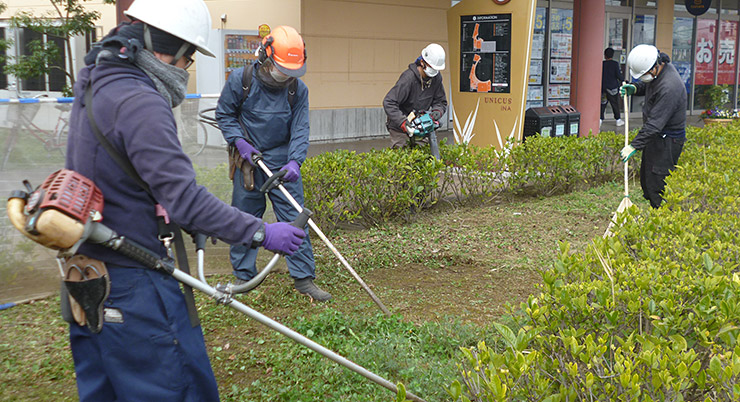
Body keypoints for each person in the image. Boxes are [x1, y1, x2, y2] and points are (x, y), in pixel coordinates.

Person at [65, 0, 306, 400]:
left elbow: (122, 173)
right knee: (178, 387)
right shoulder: (140, 100)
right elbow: (185, 199)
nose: (184, 71)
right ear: (168, 49)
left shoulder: (96, 80)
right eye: (188, 60)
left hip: (85, 280)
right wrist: (262, 232)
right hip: (133, 282)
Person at [215, 26, 331, 302]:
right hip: (248, 162)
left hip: (283, 163)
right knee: (246, 217)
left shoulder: (297, 89)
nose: (286, 76)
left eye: (292, 71)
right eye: (282, 69)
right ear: (265, 57)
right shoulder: (241, 80)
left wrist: (295, 161)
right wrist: (239, 142)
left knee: (295, 219)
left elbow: (301, 128)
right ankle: (244, 275)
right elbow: (225, 114)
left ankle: (303, 278)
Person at [619, 44, 687, 209]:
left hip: (667, 140)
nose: (643, 78)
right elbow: (649, 85)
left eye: (644, 75)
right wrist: (635, 88)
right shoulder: (658, 72)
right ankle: (655, 211)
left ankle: (663, 219)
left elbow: (655, 124)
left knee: (658, 181)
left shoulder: (670, 87)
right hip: (657, 137)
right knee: (648, 178)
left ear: (656, 66)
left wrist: (634, 145)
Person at [383, 43, 447, 149]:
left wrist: (436, 112)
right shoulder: (408, 79)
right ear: (422, 62)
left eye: (436, 69)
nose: (434, 72)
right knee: (402, 158)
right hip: (400, 127)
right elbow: (389, 102)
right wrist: (403, 122)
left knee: (422, 157)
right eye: (431, 68)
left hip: (421, 125)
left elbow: (440, 101)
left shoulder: (436, 77)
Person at [601, 47, 624, 127]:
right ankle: (618, 120)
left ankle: (600, 119)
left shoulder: (602, 64)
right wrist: (623, 80)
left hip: (603, 88)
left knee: (603, 104)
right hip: (613, 88)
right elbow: (618, 75)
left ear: (605, 55)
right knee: (615, 104)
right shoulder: (615, 64)